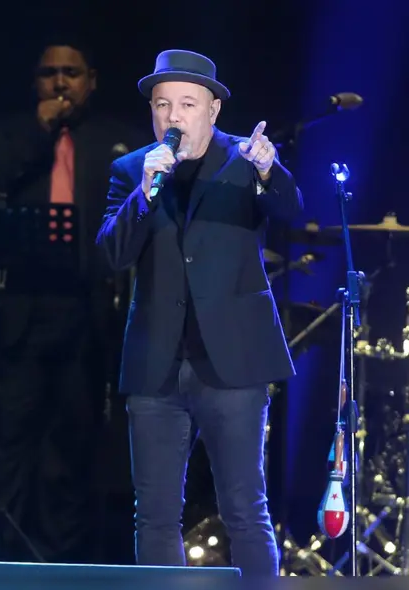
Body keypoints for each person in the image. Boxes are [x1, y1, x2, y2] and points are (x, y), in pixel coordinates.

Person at [97, 49, 303, 577]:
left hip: (233, 361)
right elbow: (111, 253)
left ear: (212, 111)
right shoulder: (132, 169)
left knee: (244, 508)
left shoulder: (244, 162)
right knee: (156, 516)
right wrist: (143, 194)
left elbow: (293, 217)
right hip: (156, 363)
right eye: (162, 105)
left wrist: (269, 170)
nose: (173, 116)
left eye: (187, 104)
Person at [0, 39, 147, 567]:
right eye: (49, 74)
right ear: (34, 82)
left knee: (71, 451)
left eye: (71, 72)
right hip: (17, 313)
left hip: (87, 316)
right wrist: (39, 134)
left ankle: (58, 565)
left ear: (92, 80)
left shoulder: (118, 144)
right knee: (6, 449)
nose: (60, 82)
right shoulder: (2, 137)